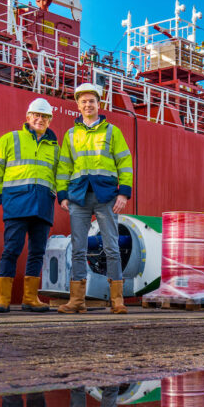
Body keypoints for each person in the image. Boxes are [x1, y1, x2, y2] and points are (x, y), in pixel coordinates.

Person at [56, 83, 133, 315]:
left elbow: (125, 162)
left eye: (92, 101)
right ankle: (77, 301)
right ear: (78, 105)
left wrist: (124, 192)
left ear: (99, 104)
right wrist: (62, 195)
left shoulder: (112, 132)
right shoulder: (70, 135)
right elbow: (64, 167)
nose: (87, 105)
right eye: (83, 101)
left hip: (105, 196)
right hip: (78, 196)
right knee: (78, 248)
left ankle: (117, 301)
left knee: (111, 247)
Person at [0, 98, 60, 313]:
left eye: (44, 116)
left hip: (43, 205)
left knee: (38, 252)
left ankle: (30, 298)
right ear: (28, 117)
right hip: (16, 204)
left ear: (49, 121)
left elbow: (60, 176)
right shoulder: (10, 139)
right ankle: (3, 299)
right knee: (11, 250)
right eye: (36, 115)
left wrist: (57, 194)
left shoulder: (55, 148)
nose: (40, 119)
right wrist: (2, 196)